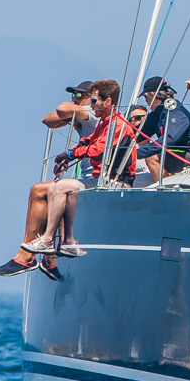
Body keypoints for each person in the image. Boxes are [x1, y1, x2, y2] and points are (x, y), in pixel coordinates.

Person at [0, 79, 106, 280]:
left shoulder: (92, 113)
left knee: (39, 190)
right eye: (73, 96)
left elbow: (62, 109)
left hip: (97, 178)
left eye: (79, 95)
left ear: (92, 98)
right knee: (51, 192)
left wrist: (75, 111)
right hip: (87, 176)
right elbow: (48, 120)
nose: (74, 99)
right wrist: (72, 118)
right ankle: (48, 258)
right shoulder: (83, 117)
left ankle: (27, 256)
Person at [20, 80, 136, 257]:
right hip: (101, 179)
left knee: (58, 187)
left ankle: (48, 239)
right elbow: (88, 142)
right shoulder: (105, 123)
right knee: (69, 190)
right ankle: (68, 242)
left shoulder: (118, 125)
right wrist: (66, 155)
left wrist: (72, 155)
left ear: (108, 102)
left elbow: (98, 151)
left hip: (116, 182)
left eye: (94, 101)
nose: (91, 105)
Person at [136, 76, 190, 183]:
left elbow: (169, 140)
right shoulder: (156, 115)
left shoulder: (176, 112)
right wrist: (119, 148)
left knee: (152, 157)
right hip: (183, 154)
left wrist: (137, 153)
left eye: (145, 97)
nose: (146, 101)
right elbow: (136, 134)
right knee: (156, 154)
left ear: (152, 94)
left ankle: (165, 190)